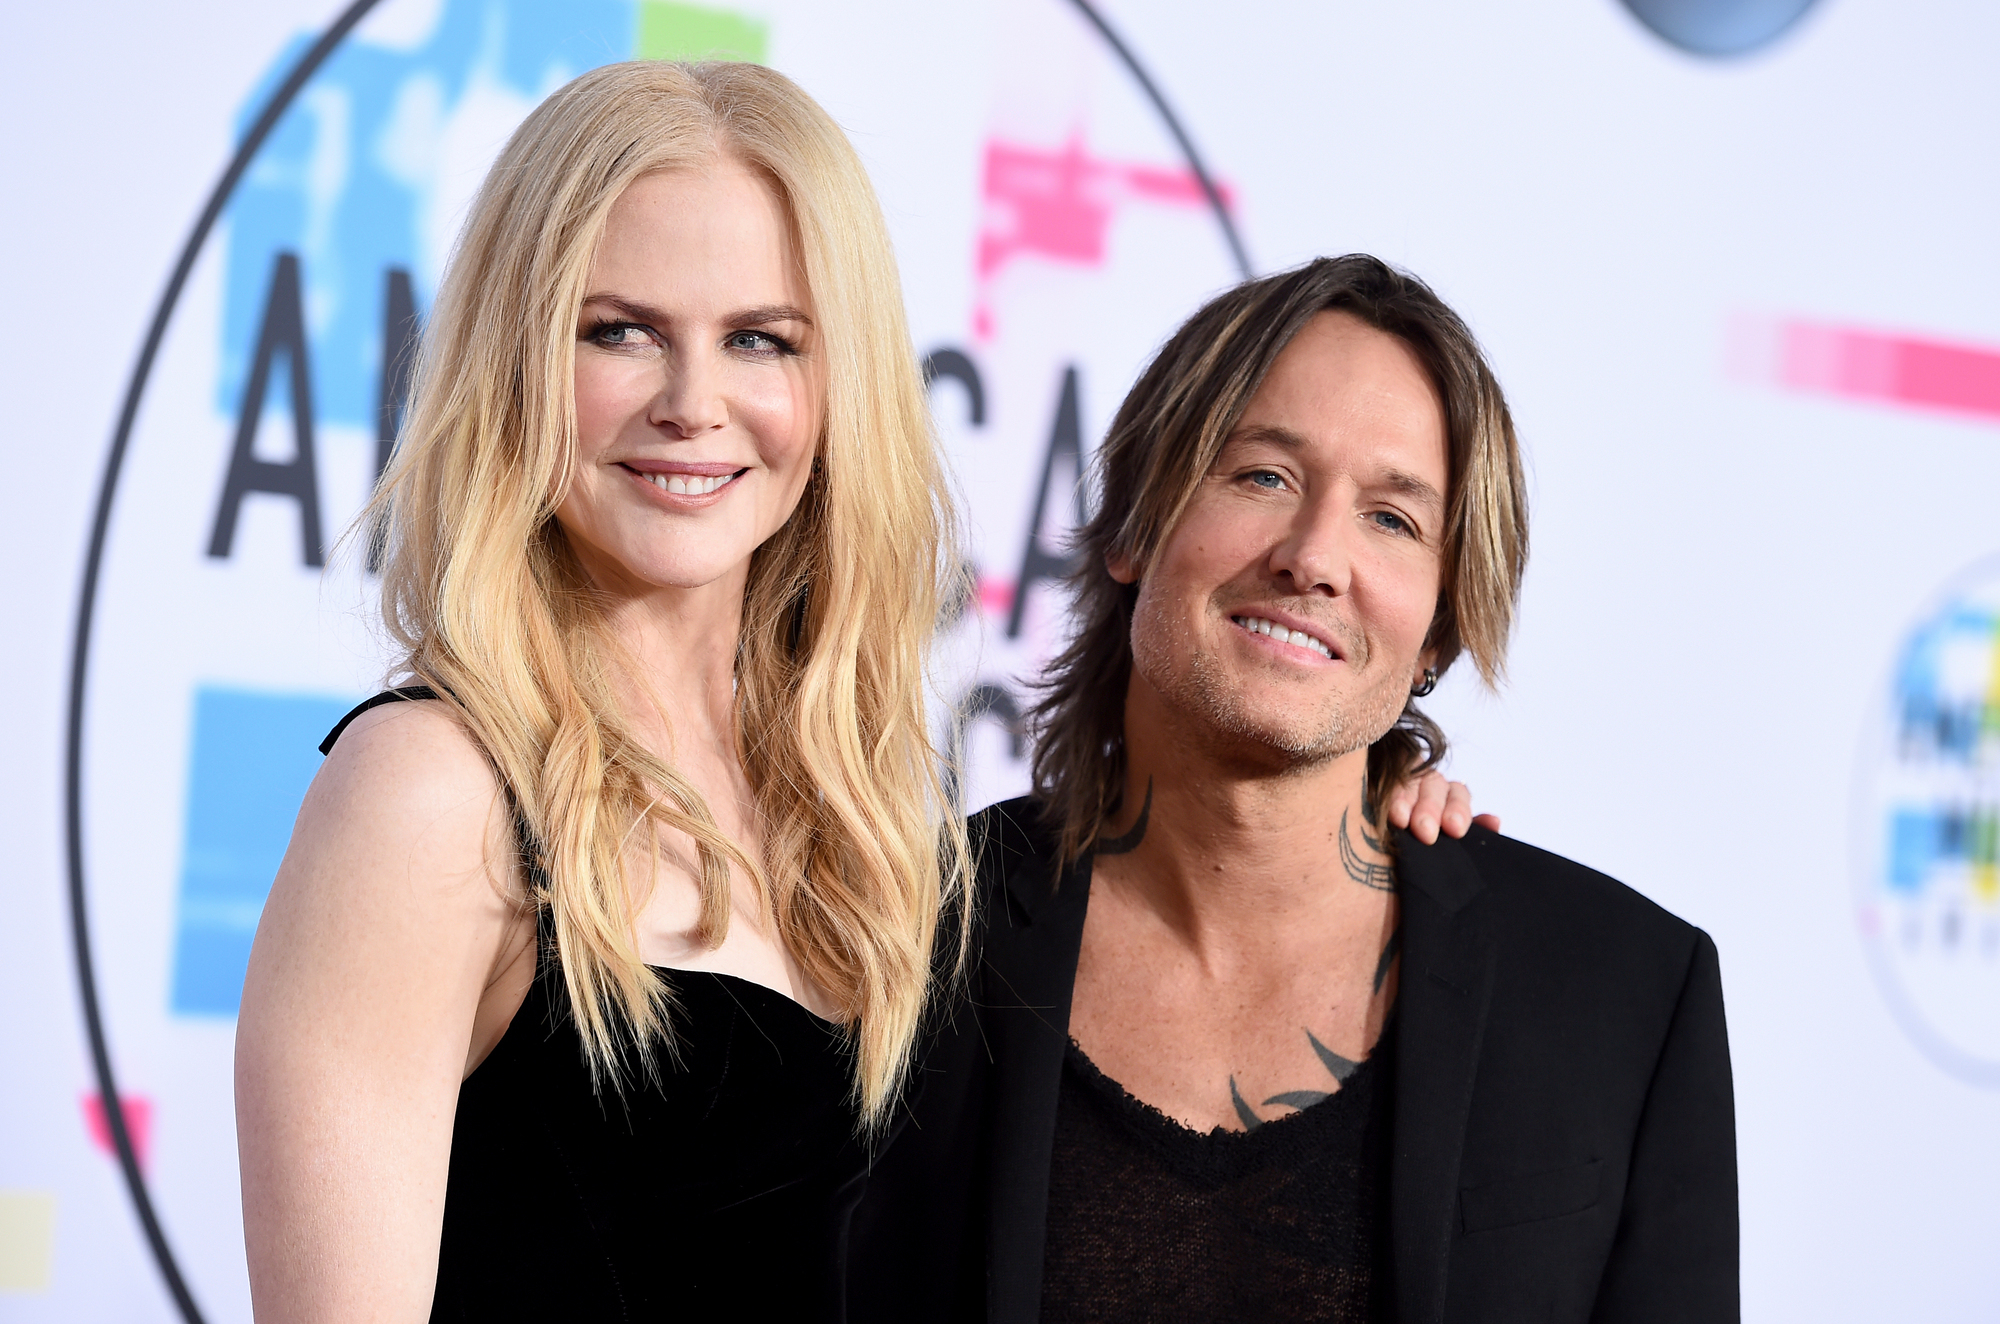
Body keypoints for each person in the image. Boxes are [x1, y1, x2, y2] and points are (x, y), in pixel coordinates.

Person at [849, 256, 1738, 1323]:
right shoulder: (895, 938)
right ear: (1133, 524)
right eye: (1262, 476)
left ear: (1439, 631)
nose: (1314, 557)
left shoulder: (1621, 989)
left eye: (1392, 520)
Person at [233, 60, 971, 1321]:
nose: (693, 405)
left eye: (759, 340)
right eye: (619, 331)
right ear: (517, 358)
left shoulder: (860, 826)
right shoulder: (432, 794)